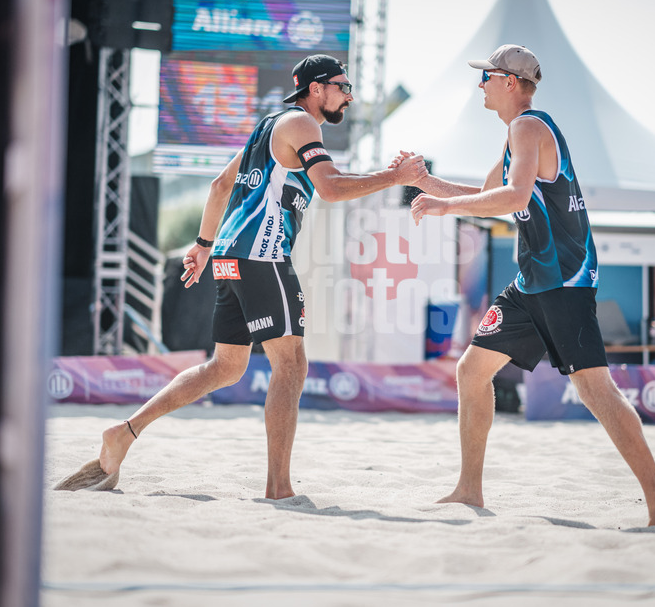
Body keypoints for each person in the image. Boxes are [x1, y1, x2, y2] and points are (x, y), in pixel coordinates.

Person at [56, 54, 427, 498]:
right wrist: (394, 177)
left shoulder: (267, 128)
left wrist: (203, 245)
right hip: (261, 256)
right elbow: (330, 188)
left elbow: (220, 185)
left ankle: (124, 432)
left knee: (226, 367)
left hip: (230, 256)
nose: (349, 96)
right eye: (343, 87)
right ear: (316, 88)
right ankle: (279, 488)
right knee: (291, 365)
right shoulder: (301, 124)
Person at [407, 44, 655, 527]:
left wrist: (445, 207)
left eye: (487, 76)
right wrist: (428, 183)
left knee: (595, 390)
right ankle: (469, 488)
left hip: (565, 282)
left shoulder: (528, 127)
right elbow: (487, 196)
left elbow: (513, 197)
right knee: (472, 371)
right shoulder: (516, 135)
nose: (480, 84)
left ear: (510, 82)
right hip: (532, 282)